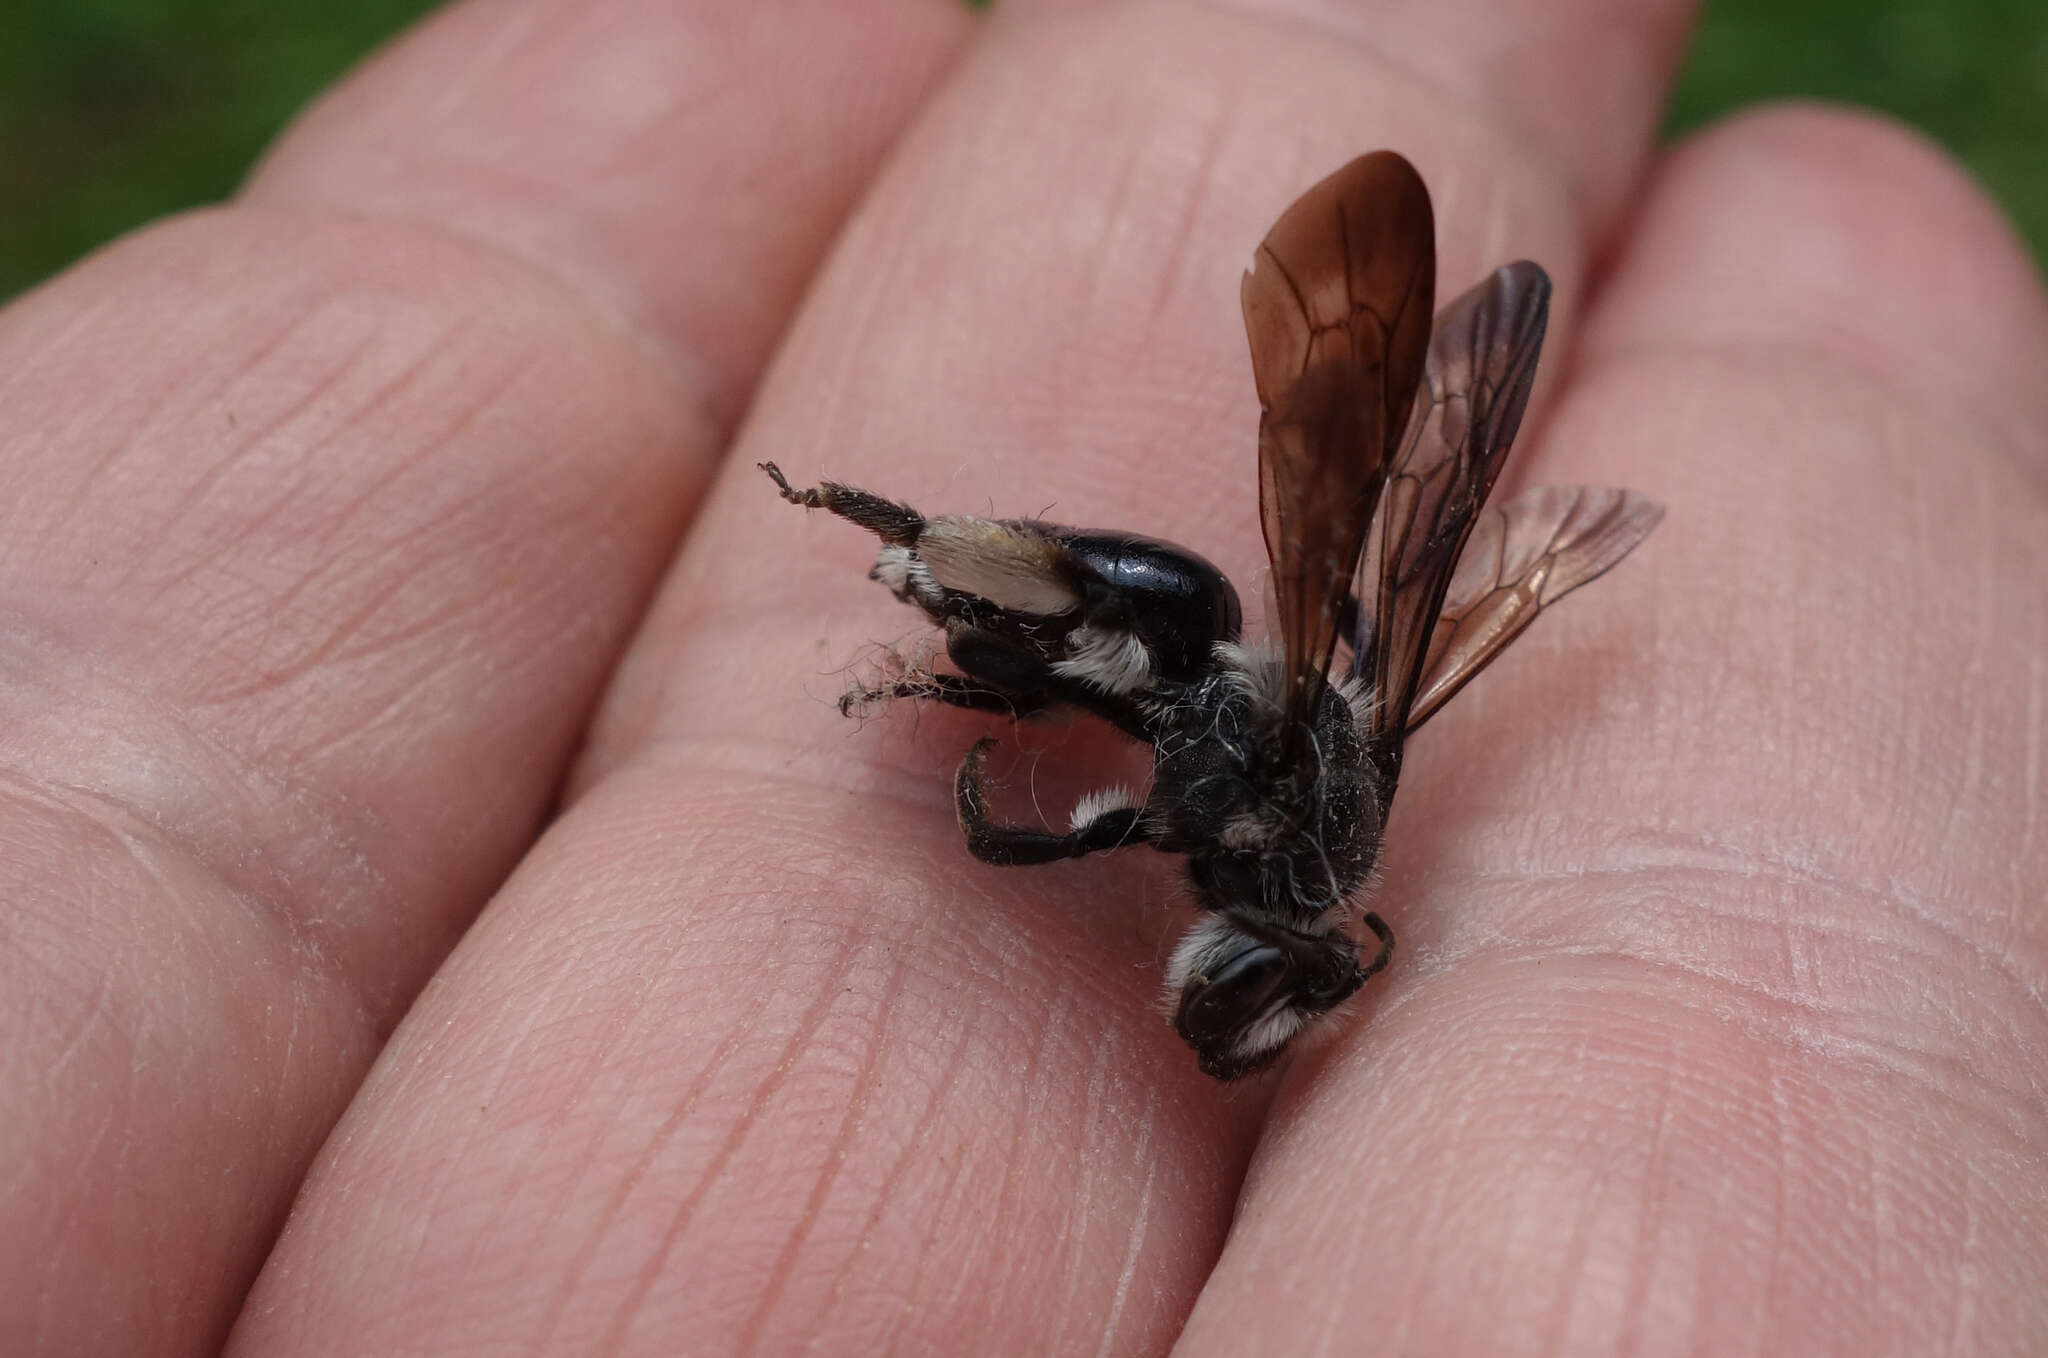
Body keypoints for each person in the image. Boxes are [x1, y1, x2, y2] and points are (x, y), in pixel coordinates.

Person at [6, 0, 2043, 1353]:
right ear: (1262, 921)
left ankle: (891, 564)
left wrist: (1043, 814)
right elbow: (1158, 757)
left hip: (1171, 675)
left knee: (1113, 687)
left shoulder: (1266, 825)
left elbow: (1165, 783)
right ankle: (868, 532)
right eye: (1247, 982)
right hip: (1151, 622)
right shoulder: (1248, 807)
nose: (1214, 980)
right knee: (1111, 638)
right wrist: (1027, 798)